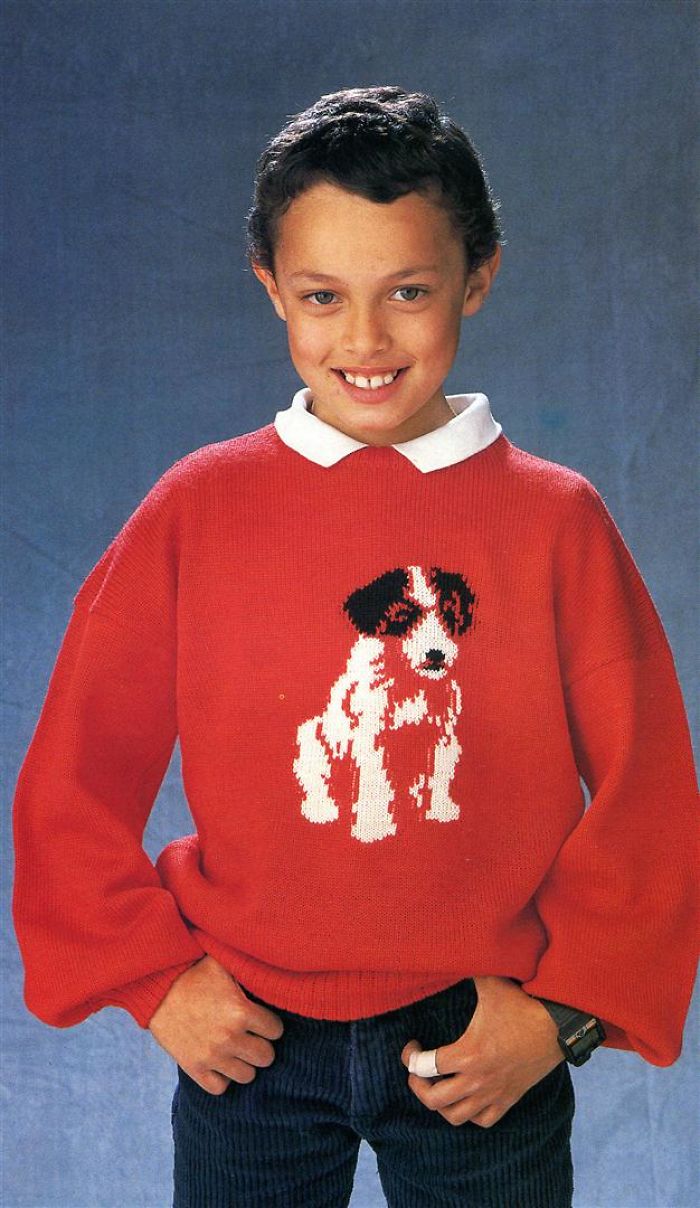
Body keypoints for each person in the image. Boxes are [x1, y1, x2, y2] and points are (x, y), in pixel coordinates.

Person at [12, 85, 698, 1208]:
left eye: (409, 292)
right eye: (323, 296)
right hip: (251, 1030)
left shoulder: (556, 520)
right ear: (270, 287)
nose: (365, 340)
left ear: (478, 278)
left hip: (484, 1034)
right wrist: (151, 978)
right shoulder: (198, 507)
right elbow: (73, 773)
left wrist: (564, 1012)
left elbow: (649, 790)